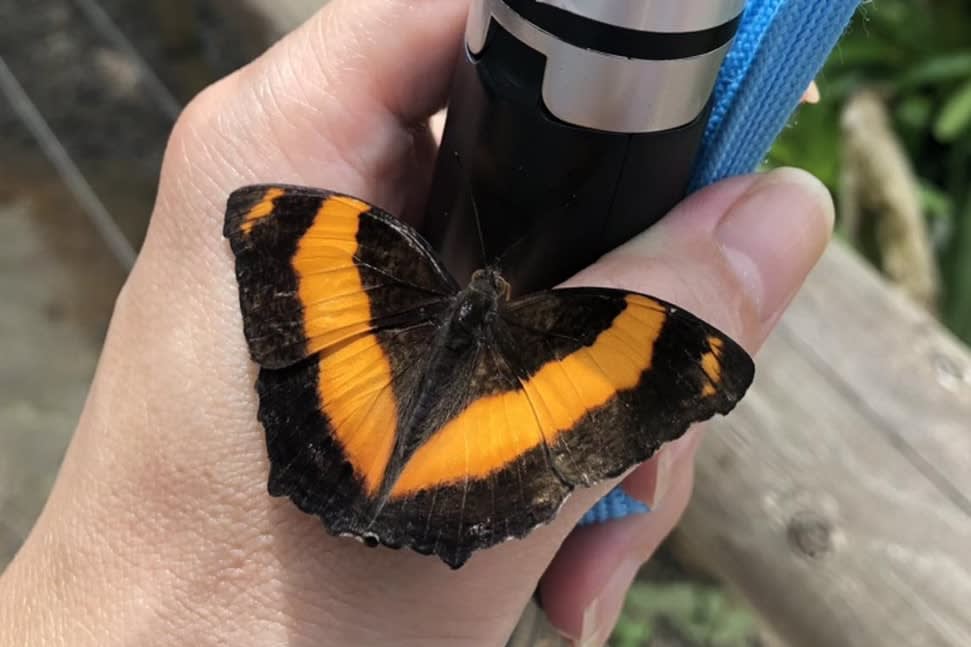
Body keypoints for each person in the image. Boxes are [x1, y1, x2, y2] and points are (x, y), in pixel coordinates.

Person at [0, 1, 833, 644]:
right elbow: (651, 365)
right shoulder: (583, 329)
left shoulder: (374, 259)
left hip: (358, 393)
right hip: (486, 451)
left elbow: (282, 231)